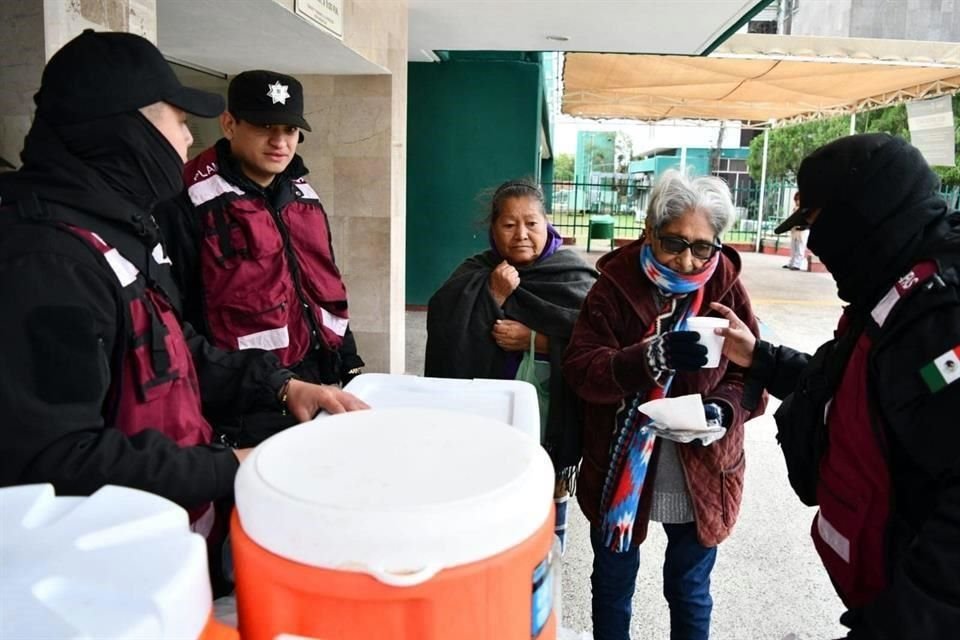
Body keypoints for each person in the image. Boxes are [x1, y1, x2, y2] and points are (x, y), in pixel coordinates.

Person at [0, 30, 367, 591]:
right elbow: (56, 459)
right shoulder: (47, 260)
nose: (187, 135)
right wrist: (236, 465)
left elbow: (174, 349)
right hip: (96, 578)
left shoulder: (117, 231)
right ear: (128, 129)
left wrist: (281, 386)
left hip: (165, 541)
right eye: (176, 118)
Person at [713, 133, 960, 638]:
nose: (816, 246)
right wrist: (760, 357)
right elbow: (857, 392)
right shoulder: (893, 292)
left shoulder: (942, 314)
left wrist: (896, 626)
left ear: (857, 215)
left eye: (813, 223)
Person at [563, 170, 765, 640]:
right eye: (674, 242)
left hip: (702, 465)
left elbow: (752, 373)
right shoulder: (614, 285)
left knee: (690, 586)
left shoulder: (726, 287)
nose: (689, 259)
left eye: (703, 246)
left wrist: (723, 411)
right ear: (650, 232)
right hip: (623, 468)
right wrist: (647, 359)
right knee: (613, 584)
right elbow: (581, 368)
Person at [155, 69, 363, 445]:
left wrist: (349, 361)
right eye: (265, 126)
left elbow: (323, 285)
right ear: (230, 124)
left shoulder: (304, 196)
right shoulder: (186, 201)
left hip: (313, 382)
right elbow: (172, 318)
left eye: (290, 130)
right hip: (241, 400)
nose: (280, 142)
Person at [424, 178, 598, 552]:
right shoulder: (475, 271)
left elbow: (598, 344)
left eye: (531, 223)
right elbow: (446, 327)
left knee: (547, 498)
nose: (522, 234)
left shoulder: (573, 275)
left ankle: (548, 559)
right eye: (509, 224)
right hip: (490, 419)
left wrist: (536, 339)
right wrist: (493, 295)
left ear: (546, 223)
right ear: (492, 228)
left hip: (553, 417)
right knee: (497, 498)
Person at [782, 191, 809, 271]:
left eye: (798, 200)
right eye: (796, 200)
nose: (797, 202)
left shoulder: (805, 209)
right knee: (793, 248)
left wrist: (802, 227)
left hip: (802, 231)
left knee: (800, 248)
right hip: (795, 231)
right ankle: (791, 263)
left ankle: (797, 264)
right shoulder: (795, 208)